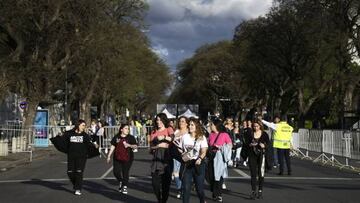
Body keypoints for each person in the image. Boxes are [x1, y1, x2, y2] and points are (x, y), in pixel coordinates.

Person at [63, 119, 95, 195]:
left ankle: (78, 189)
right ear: (78, 125)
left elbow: (89, 144)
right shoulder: (69, 133)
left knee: (79, 172)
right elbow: (63, 139)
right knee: (70, 172)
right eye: (82, 125)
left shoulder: (85, 135)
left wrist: (95, 146)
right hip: (71, 156)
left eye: (84, 125)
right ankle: (76, 185)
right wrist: (59, 136)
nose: (84, 127)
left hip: (82, 156)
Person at [180, 117, 208, 203]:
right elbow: (181, 149)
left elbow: (204, 151)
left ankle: (202, 201)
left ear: (197, 126)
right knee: (186, 188)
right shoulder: (185, 137)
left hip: (198, 164)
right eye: (190, 124)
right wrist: (183, 155)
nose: (190, 126)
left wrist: (200, 158)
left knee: (199, 189)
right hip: (187, 165)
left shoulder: (201, 137)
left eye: (192, 125)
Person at [107, 123, 138, 194]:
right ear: (121, 129)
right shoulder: (116, 137)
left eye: (128, 129)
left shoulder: (131, 137)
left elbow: (136, 146)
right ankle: (121, 181)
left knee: (125, 172)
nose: (127, 130)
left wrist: (129, 145)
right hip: (117, 157)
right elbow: (113, 146)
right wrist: (109, 156)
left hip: (128, 157)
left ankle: (124, 187)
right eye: (126, 128)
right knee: (116, 172)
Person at [150, 113, 174, 203]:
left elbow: (172, 138)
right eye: (157, 120)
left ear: (164, 120)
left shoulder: (169, 129)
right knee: (155, 184)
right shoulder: (153, 131)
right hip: (156, 159)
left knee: (165, 185)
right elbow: (151, 147)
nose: (158, 122)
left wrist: (163, 137)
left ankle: (163, 201)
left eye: (160, 120)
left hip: (167, 159)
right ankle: (160, 199)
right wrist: (159, 145)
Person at [207, 118, 232, 202]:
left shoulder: (224, 134)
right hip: (211, 157)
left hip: (220, 158)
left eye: (211, 124)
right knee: (210, 176)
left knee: (218, 176)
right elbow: (207, 144)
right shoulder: (210, 134)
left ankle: (219, 194)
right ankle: (214, 191)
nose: (210, 126)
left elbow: (230, 145)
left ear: (216, 125)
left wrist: (221, 147)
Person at [246, 119, 270, 199]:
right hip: (252, 155)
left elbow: (268, 145)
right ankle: (253, 191)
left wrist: (264, 146)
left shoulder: (264, 134)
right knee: (253, 174)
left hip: (261, 155)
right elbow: (246, 144)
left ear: (260, 126)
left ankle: (260, 191)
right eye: (254, 126)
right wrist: (251, 144)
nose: (255, 128)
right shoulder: (250, 134)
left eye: (257, 126)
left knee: (261, 174)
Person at [172, 116, 190, 199]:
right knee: (176, 173)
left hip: (186, 156)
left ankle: (185, 188)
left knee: (184, 174)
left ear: (187, 123)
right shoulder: (176, 132)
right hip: (176, 155)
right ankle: (180, 189)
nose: (181, 123)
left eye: (183, 121)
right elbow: (173, 141)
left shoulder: (189, 132)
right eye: (180, 121)